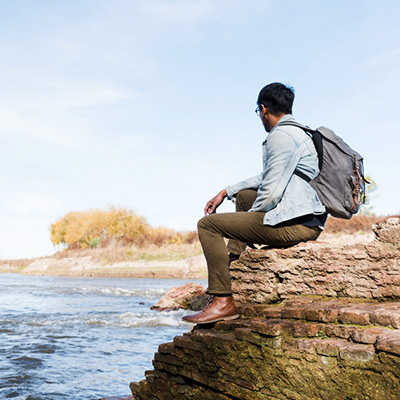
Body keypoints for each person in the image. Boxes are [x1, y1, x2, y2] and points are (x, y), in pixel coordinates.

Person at [182, 82, 327, 325]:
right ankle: (235, 260)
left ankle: (222, 301)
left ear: (263, 109)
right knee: (244, 197)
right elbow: (268, 176)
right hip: (308, 216)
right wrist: (225, 191)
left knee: (208, 225)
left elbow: (269, 192)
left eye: (259, 112)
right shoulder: (299, 132)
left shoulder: (280, 136)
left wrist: (248, 221)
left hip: (298, 224)